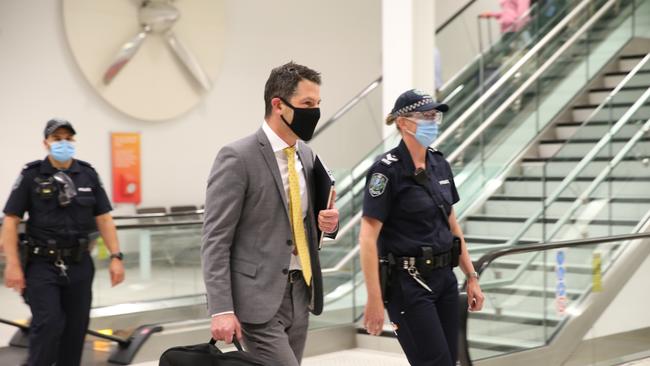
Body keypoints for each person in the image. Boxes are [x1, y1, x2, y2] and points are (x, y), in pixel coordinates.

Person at [201, 61, 339, 366]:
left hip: (300, 292)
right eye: (306, 104)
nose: (314, 112)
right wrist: (220, 308)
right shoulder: (237, 157)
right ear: (278, 105)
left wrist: (328, 223)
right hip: (255, 298)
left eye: (317, 104)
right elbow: (215, 239)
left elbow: (304, 222)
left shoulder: (306, 154)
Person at [359, 89, 484, 365]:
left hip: (445, 279)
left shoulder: (439, 163)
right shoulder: (386, 171)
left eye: (435, 115)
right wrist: (374, 298)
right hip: (409, 282)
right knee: (433, 361)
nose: (433, 121)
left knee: (450, 360)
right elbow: (367, 238)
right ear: (403, 123)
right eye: (426, 116)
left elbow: (452, 224)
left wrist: (471, 276)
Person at [1, 118, 125, 366]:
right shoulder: (31, 175)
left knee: (75, 330)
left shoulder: (88, 175)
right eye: (57, 139)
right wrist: (12, 264)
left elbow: (104, 218)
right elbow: (11, 220)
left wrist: (116, 257)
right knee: (48, 324)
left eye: (68, 138)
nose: (63, 143)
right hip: (41, 263)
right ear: (46, 143)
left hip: (79, 264)